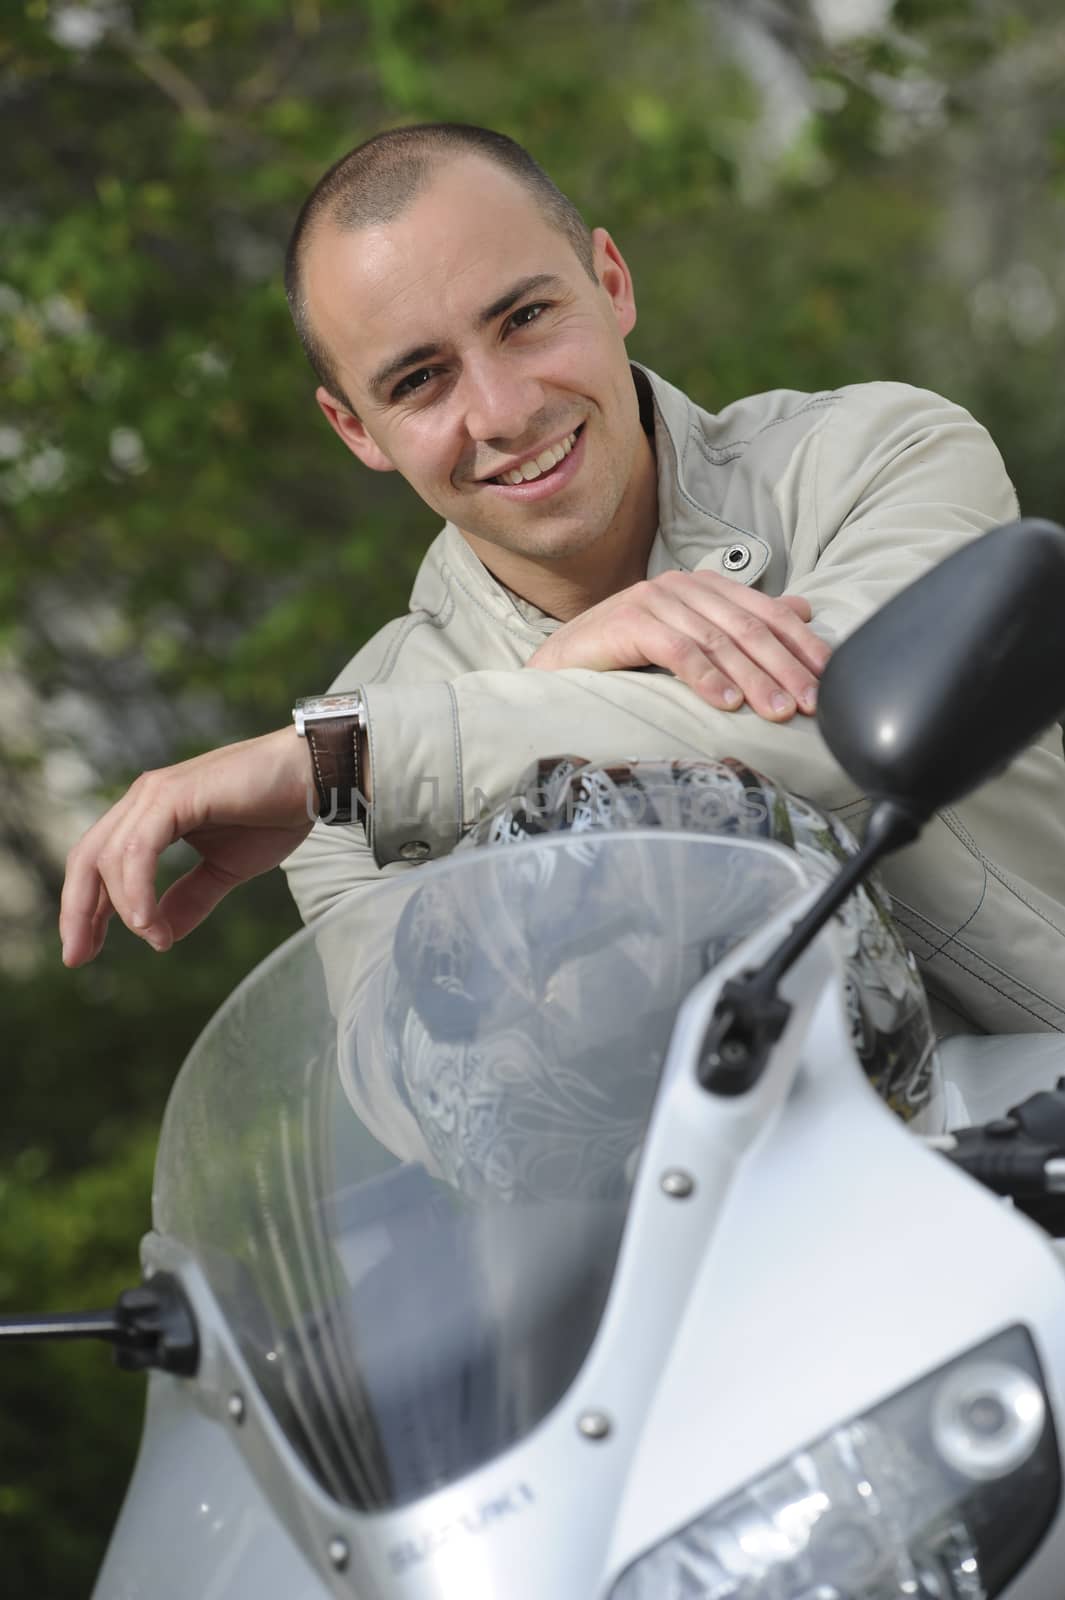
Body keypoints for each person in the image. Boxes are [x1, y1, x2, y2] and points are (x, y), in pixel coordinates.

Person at [59, 123, 1065, 1036]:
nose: (501, 410)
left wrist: (403, 751)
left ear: (612, 282)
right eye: (420, 380)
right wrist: (548, 685)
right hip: (760, 1227)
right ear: (356, 429)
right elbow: (455, 1116)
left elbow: (847, 732)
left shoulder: (878, 452)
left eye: (527, 316)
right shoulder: (343, 767)